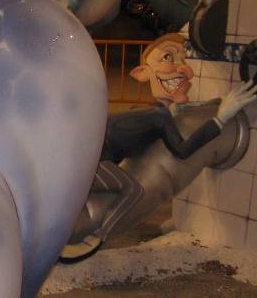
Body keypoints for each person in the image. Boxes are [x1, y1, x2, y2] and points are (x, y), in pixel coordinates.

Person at [60, 33, 257, 261]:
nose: (183, 69)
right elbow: (182, 151)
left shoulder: (145, 114)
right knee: (133, 190)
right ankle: (99, 235)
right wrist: (220, 118)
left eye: (183, 60)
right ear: (142, 73)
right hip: (88, 164)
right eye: (168, 58)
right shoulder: (156, 118)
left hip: (81, 160)